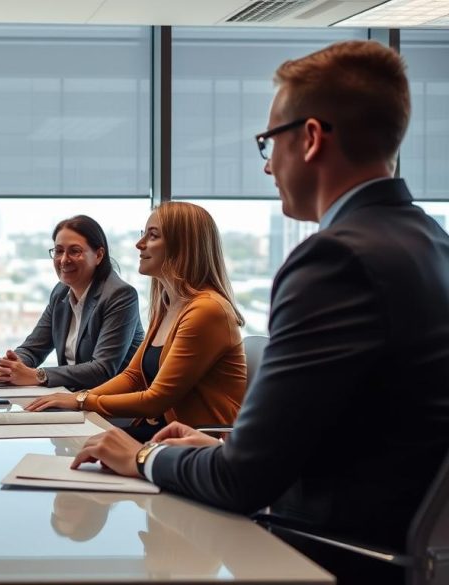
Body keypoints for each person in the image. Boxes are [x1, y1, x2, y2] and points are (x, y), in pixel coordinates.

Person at [71, 40, 449, 584]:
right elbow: (366, 431)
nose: (268, 165)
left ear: (312, 138)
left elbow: (243, 483)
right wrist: (222, 444)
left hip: (329, 555)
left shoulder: (334, 260)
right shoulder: (430, 242)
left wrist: (142, 458)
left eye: (269, 143)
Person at [27, 203, 246, 440]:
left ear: (182, 245)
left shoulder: (206, 310)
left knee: (82, 448)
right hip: (164, 432)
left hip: (197, 444)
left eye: (152, 236)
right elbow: (134, 376)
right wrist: (78, 399)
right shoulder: (168, 304)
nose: (139, 245)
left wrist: (82, 401)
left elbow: (156, 399)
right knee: (75, 442)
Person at [0, 215, 144, 390]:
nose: (64, 260)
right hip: (72, 399)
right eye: (58, 251)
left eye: (74, 251)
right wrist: (12, 365)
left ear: (99, 255)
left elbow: (102, 370)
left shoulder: (120, 295)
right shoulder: (61, 292)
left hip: (112, 406)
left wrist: (37, 375)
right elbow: (33, 349)